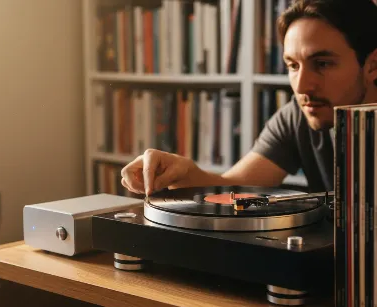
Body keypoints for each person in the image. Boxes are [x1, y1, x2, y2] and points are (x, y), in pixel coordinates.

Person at [121, 0, 377, 196]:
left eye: (322, 64)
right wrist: (188, 173)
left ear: (372, 66)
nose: (301, 86)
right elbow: (236, 188)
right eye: (293, 66)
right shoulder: (298, 114)